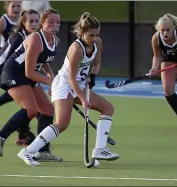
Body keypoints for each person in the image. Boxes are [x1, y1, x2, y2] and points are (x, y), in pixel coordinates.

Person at [17, 12, 120, 166]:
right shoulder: (76, 49)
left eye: (96, 34)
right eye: (90, 35)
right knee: (62, 124)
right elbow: (71, 78)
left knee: (108, 108)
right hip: (65, 85)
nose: (94, 38)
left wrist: (93, 75)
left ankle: (100, 149)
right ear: (82, 33)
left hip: (80, 84)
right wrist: (84, 99)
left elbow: (97, 63)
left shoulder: (97, 42)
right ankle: (27, 152)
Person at [0, 8, 62, 162]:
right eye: (51, 22)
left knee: (48, 110)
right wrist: (51, 83)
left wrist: (50, 76)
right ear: (43, 23)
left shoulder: (55, 40)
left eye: (58, 22)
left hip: (27, 74)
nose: (55, 25)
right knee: (31, 110)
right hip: (14, 72)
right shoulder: (35, 39)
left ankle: (42, 150)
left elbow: (44, 60)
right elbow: (29, 72)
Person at [0, 9, 41, 146]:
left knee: (29, 108)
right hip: (5, 71)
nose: (34, 24)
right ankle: (21, 135)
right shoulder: (18, 37)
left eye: (37, 21)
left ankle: (23, 136)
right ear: (23, 23)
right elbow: (8, 60)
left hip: (20, 73)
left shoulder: (36, 36)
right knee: (29, 108)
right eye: (30, 21)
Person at [149, 13, 177, 131]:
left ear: (173, 29)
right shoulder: (156, 38)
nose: (165, 33)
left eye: (168, 30)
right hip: (169, 59)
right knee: (168, 90)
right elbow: (157, 56)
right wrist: (154, 68)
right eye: (162, 30)